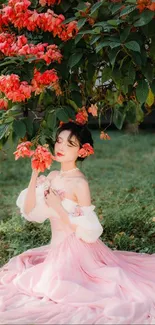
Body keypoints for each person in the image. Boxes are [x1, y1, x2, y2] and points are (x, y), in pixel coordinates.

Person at [0, 121, 155, 325]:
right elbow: (29, 211)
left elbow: (88, 230)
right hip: (56, 248)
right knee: (35, 279)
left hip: (77, 248)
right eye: (59, 141)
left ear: (82, 151)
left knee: (56, 285)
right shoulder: (54, 176)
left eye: (70, 144)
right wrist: (35, 173)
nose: (61, 147)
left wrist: (58, 207)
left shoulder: (80, 183)